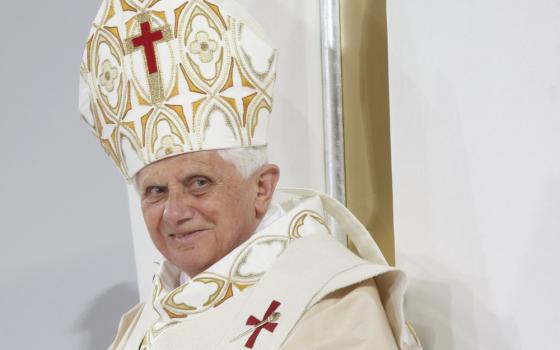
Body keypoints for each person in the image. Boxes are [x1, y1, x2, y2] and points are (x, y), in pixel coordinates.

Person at [78, 0, 422, 349]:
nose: (175, 212)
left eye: (198, 183)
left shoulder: (331, 303)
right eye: (155, 191)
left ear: (262, 188)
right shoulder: (143, 322)